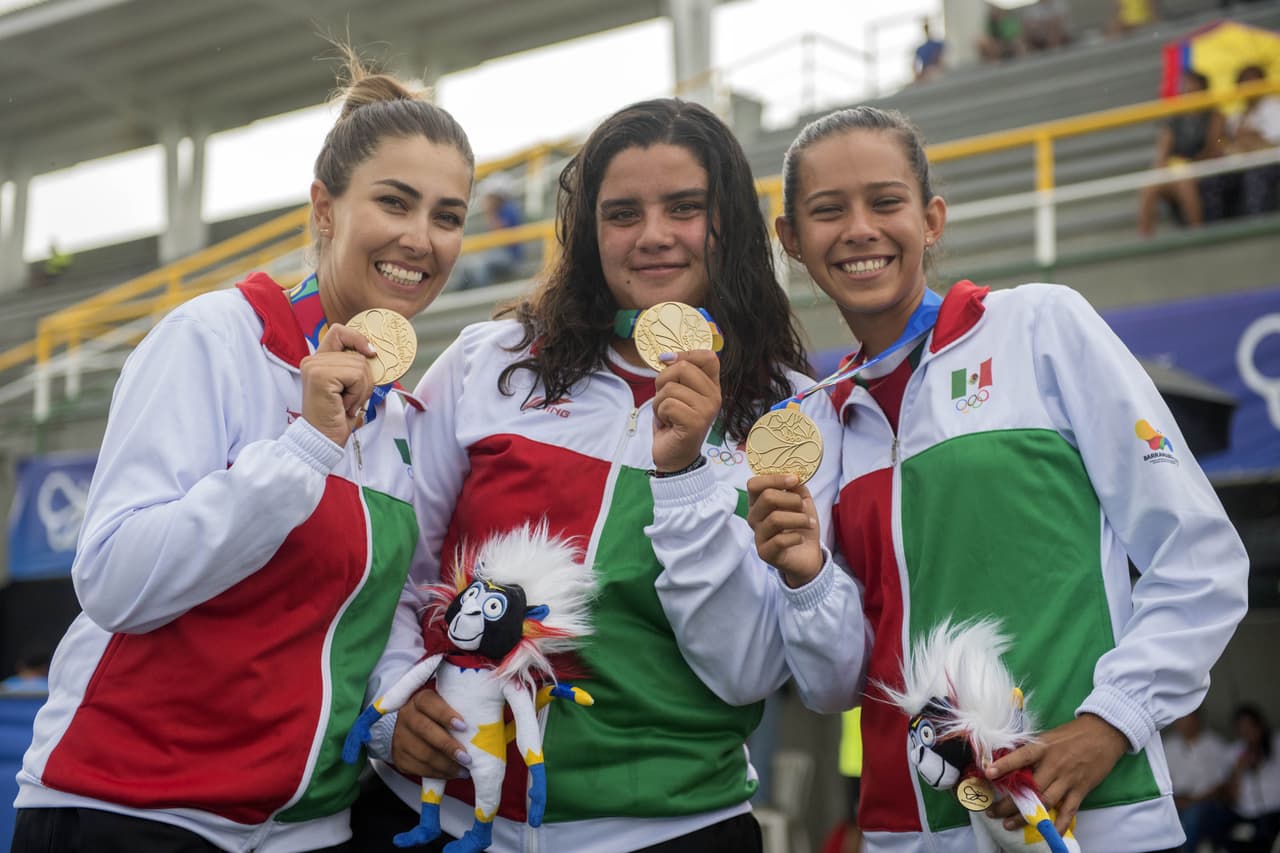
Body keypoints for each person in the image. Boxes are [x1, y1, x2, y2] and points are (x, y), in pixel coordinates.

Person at [354, 97, 856, 853]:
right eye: (623, 213)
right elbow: (394, 566)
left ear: (730, 226)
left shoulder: (793, 413)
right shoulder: (489, 361)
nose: (653, 235)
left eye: (684, 208)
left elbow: (747, 672)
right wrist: (390, 703)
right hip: (437, 814)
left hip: (668, 831)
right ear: (589, 232)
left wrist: (684, 474)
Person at [749, 105, 1249, 851]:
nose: (859, 229)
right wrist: (807, 578)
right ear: (791, 239)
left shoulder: (1039, 326)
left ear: (932, 219)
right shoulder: (815, 422)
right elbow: (831, 688)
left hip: (1093, 813)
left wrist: (1112, 721)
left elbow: (1201, 560)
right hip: (906, 832)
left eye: (885, 202)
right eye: (828, 211)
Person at [11, 49, 475, 853]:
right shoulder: (214, 338)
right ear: (324, 209)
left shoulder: (402, 415)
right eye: (394, 202)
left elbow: (355, 630)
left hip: (305, 831)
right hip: (134, 811)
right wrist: (302, 450)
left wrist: (390, 716)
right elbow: (113, 579)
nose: (419, 238)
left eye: (448, 215)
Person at [1137, 69, 1226, 237]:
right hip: (1177, 169)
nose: (1187, 92)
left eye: (1192, 88)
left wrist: (1190, 167)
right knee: (1150, 186)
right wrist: (1163, 168)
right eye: (1185, 88)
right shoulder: (1176, 117)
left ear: (1203, 90)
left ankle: (1196, 233)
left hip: (1202, 167)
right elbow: (1163, 151)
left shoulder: (1214, 115)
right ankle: (1145, 237)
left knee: (1185, 183)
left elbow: (1213, 147)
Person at [1165, 709, 1233, 852]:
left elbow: (1222, 785)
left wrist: (1193, 801)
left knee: (1193, 815)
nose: (1180, 723)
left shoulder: (1215, 744)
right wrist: (1177, 801)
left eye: (1185, 718)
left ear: (1197, 719)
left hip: (1208, 803)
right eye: (1178, 719)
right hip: (1176, 802)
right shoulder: (1168, 745)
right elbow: (1162, 783)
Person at [1224, 66, 1280, 218]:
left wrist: (1253, 140)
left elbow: (1274, 146)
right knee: (1215, 180)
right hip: (1242, 164)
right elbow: (1228, 146)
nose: (1249, 85)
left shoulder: (1274, 107)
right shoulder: (1236, 116)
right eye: (1245, 81)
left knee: (1255, 177)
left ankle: (1258, 225)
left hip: (1270, 163)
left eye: (1253, 80)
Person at [454, 172, 526, 290]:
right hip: (498, 253)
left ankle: (481, 294)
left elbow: (500, 232)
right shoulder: (500, 209)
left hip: (509, 256)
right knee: (465, 265)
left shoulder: (509, 209)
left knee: (478, 265)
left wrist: (490, 212)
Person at [1225, 705, 1280, 852]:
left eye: (1250, 728)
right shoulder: (1234, 752)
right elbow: (1231, 799)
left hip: (1274, 811)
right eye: (1242, 730)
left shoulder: (1276, 743)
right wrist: (1238, 770)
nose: (1247, 734)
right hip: (1246, 813)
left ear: (1260, 726)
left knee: (1266, 828)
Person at [912, 19, 945, 84]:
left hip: (936, 70)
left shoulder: (938, 45)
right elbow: (915, 65)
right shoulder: (920, 49)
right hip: (926, 73)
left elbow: (942, 60)